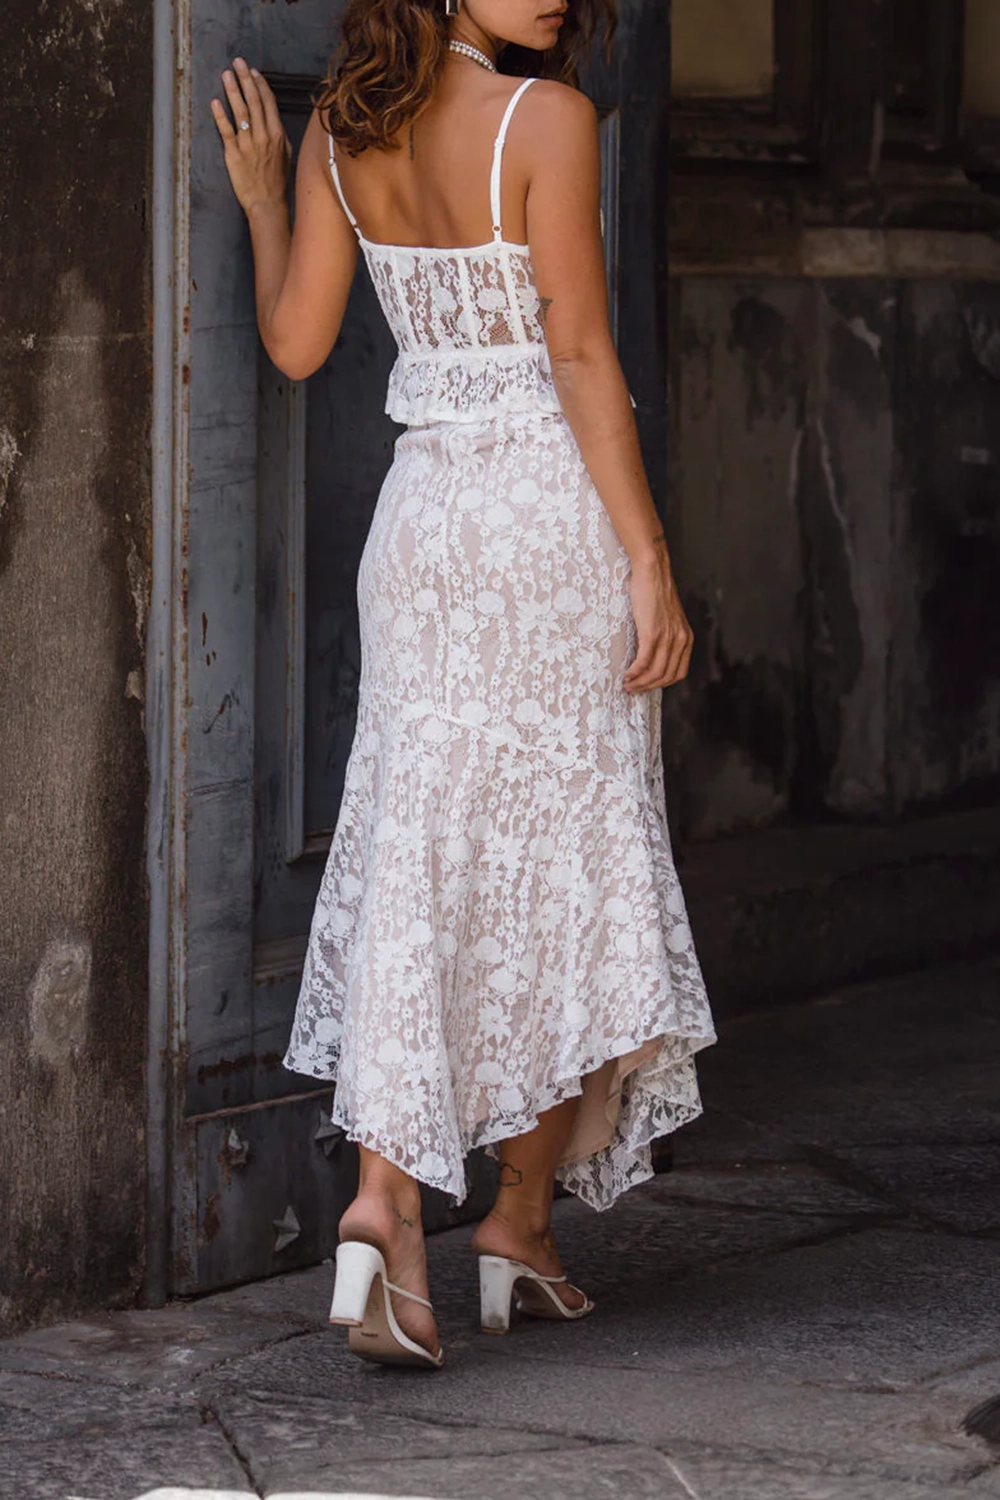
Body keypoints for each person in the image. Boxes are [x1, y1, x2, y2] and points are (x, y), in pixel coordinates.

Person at [211, 0, 716, 1370]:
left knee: (418, 852)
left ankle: (397, 1207)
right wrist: (651, 558)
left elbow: (301, 346)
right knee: (564, 864)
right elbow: (582, 352)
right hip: (549, 526)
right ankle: (514, 1215)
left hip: (422, 527)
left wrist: (268, 204)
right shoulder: (551, 119)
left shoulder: (344, 128)